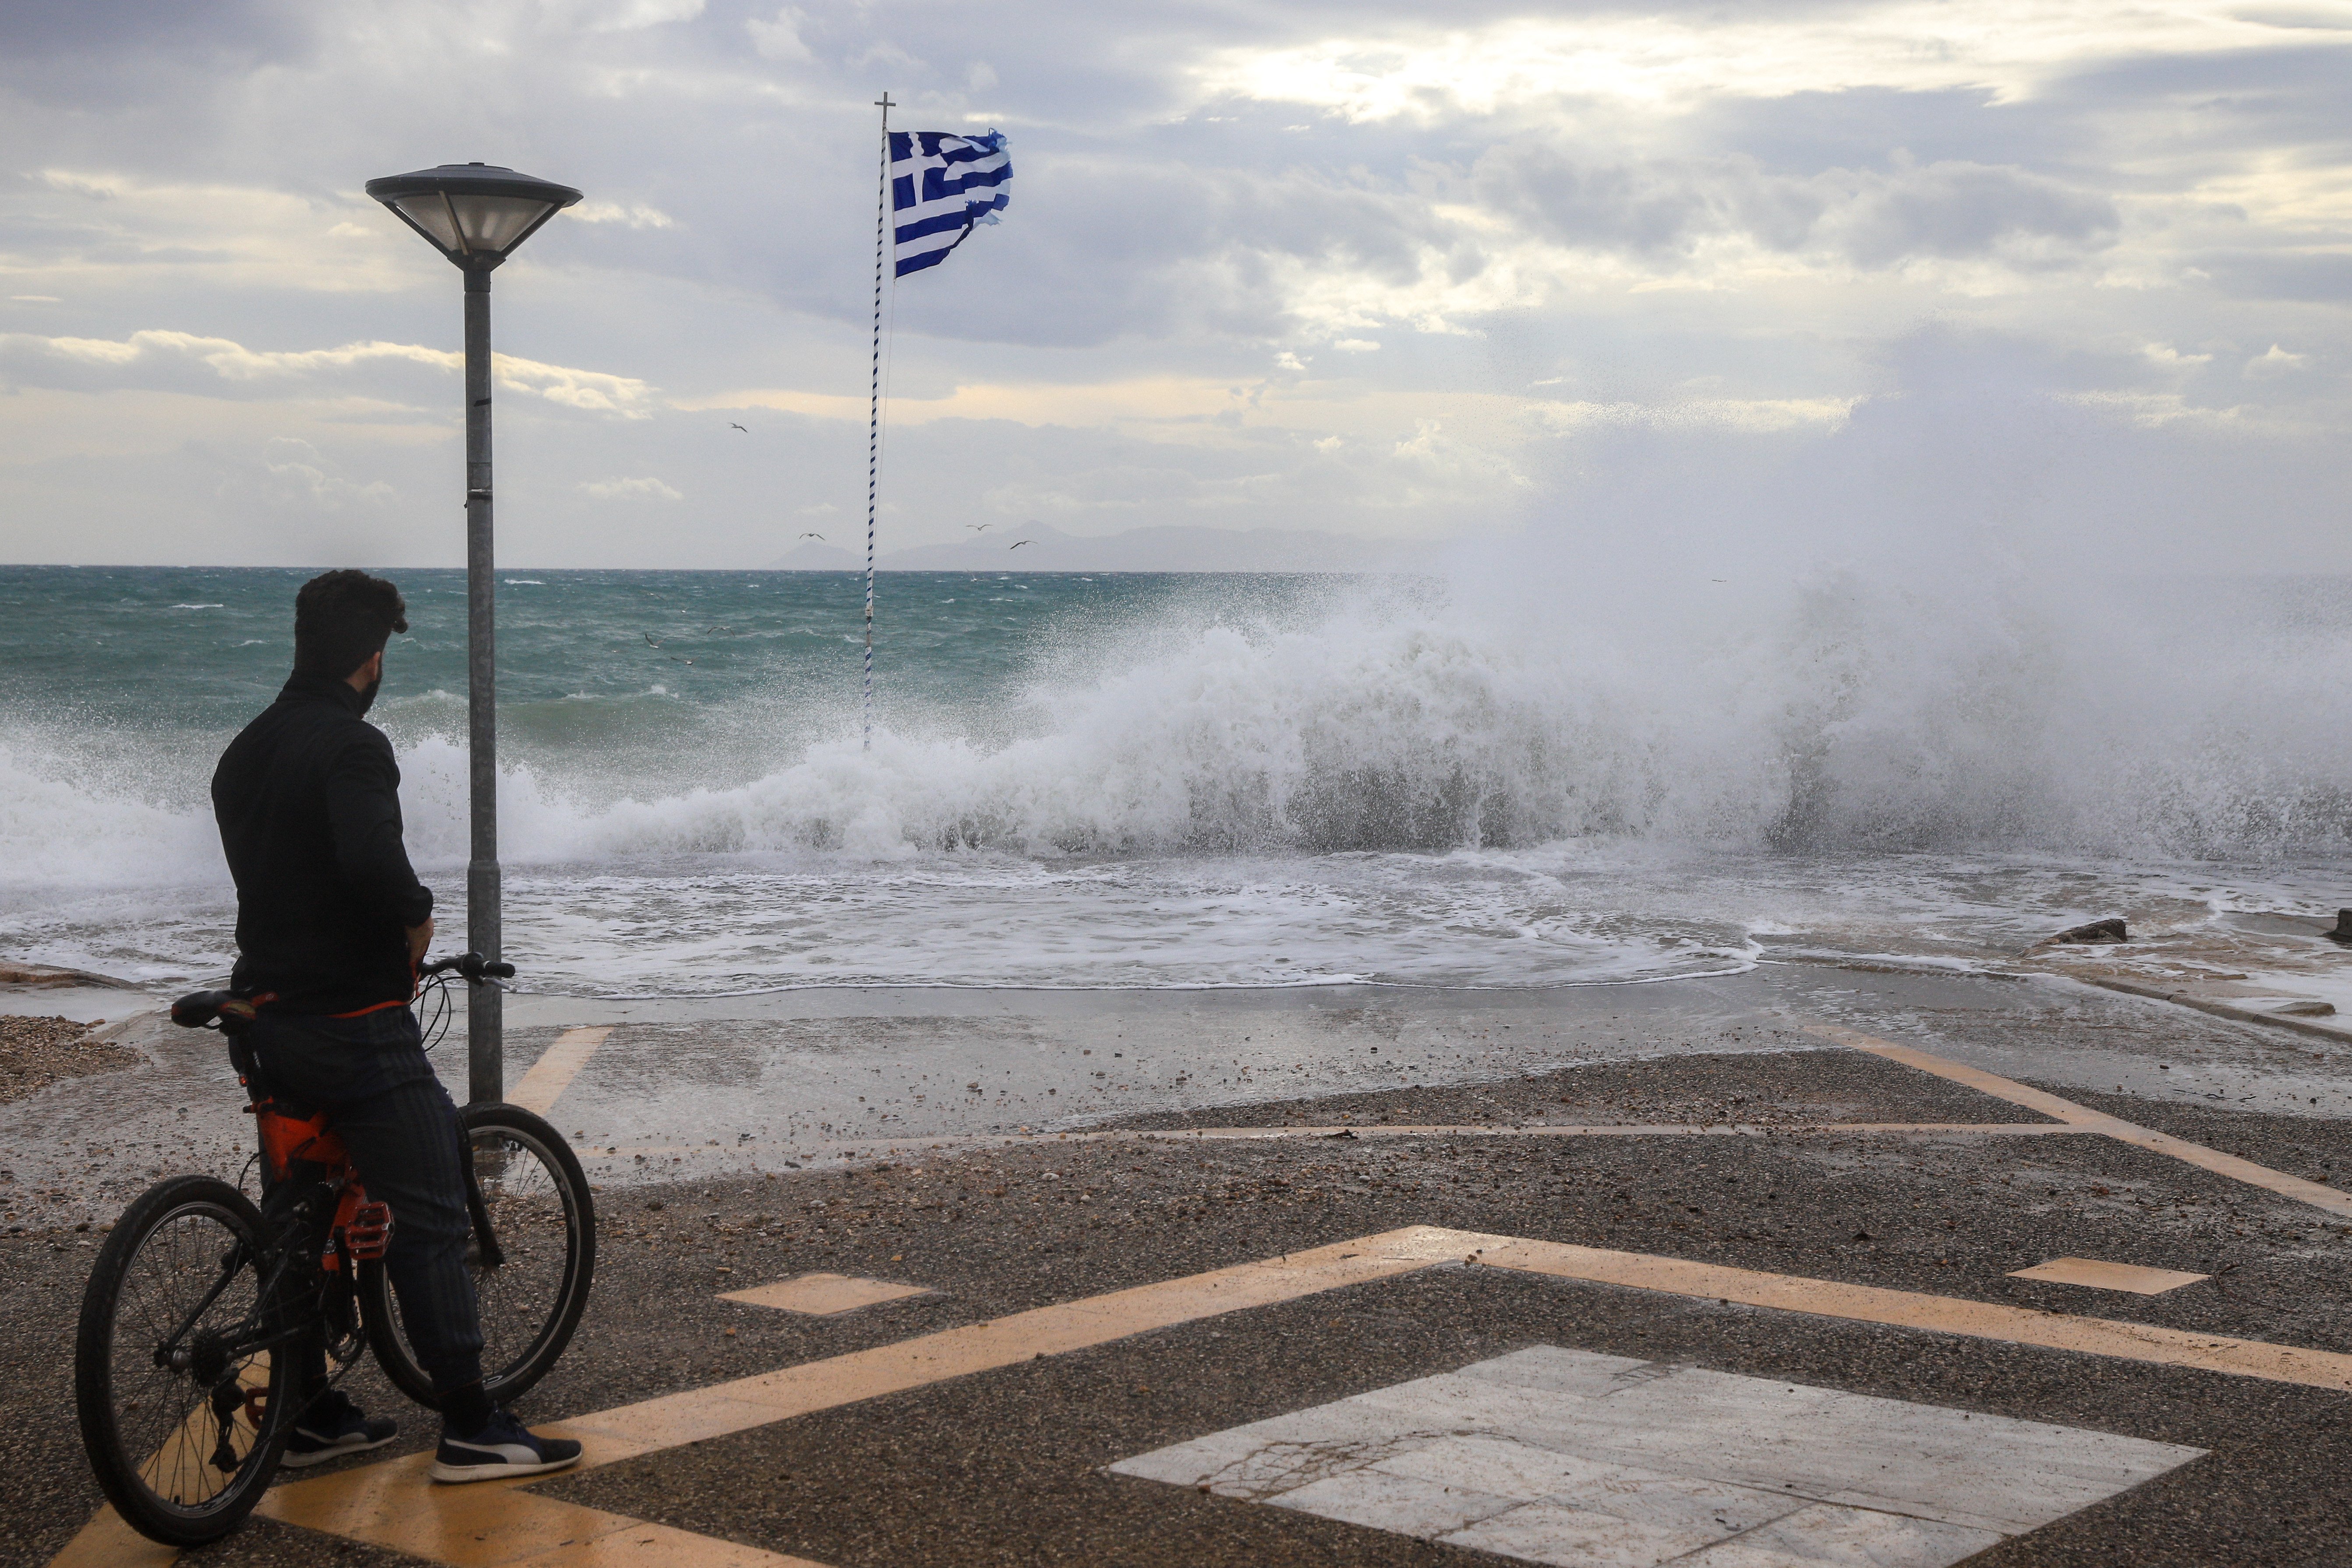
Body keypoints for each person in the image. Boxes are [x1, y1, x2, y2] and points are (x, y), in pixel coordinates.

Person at [211, 568, 580, 1483]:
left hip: (265, 1012)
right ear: (373, 659)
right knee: (427, 1208)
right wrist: (416, 918)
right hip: (354, 1020)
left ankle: (307, 1410)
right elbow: (370, 858)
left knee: (301, 1212)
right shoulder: (353, 747)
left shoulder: (245, 751)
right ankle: (469, 1423)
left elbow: (280, 876)